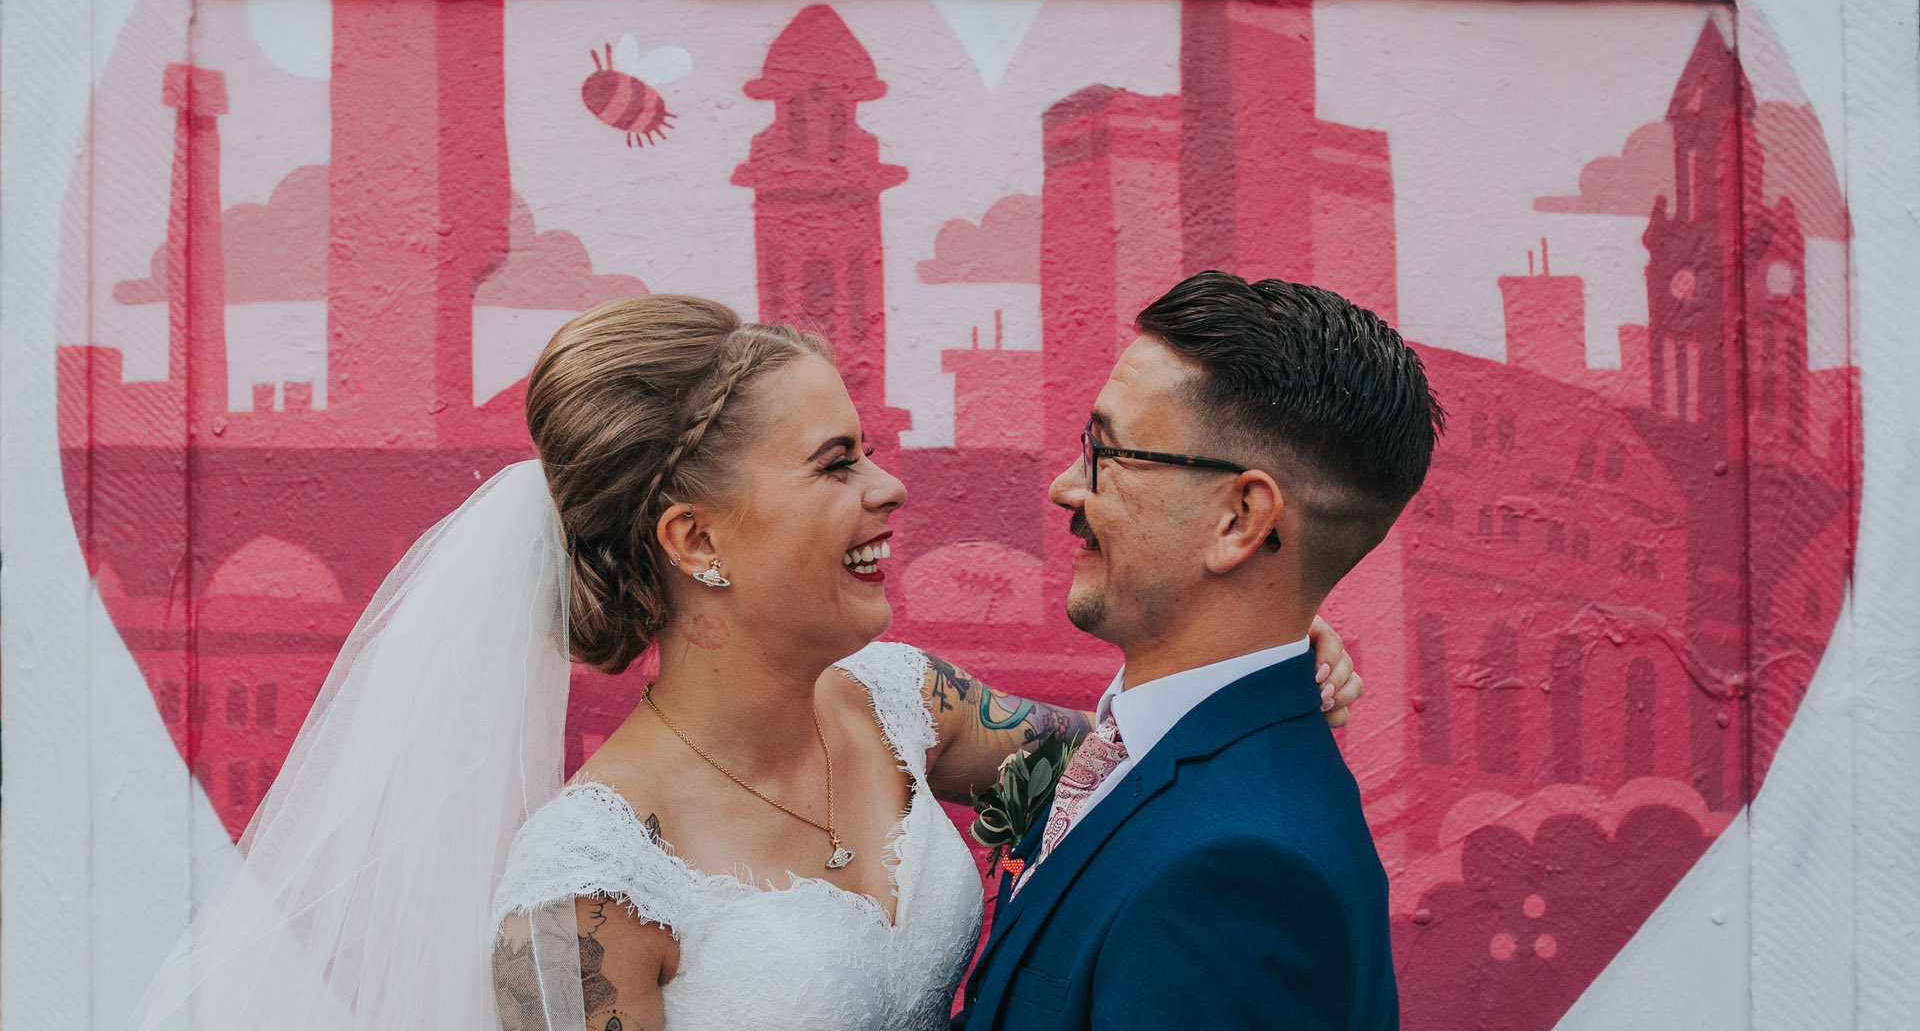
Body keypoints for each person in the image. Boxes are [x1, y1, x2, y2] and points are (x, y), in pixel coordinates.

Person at [127, 293, 1363, 1031]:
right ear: (697, 539)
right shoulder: (584, 894)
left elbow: (1130, 784)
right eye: (835, 464)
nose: (891, 485)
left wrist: (1255, 640)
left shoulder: (909, 706)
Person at [958, 270, 1441, 1031]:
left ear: (1239, 520)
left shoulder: (1240, 872)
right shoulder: (1157, 758)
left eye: (1105, 454)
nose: (1064, 488)